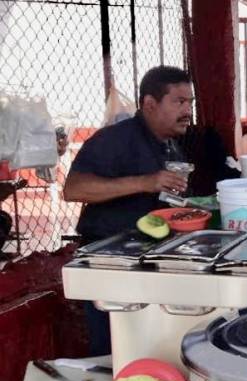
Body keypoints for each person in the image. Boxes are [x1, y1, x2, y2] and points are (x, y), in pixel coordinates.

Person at [63, 65, 193, 356]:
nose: (188, 111)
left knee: (148, 349)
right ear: (150, 104)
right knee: (115, 351)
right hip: (109, 264)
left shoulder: (170, 146)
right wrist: (145, 182)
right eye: (179, 102)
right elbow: (74, 189)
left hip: (148, 260)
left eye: (190, 103)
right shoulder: (114, 140)